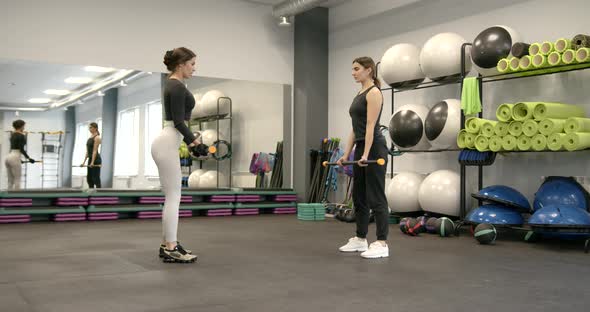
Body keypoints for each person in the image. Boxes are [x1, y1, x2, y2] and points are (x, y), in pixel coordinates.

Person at [337, 56, 390, 259]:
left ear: (369, 70)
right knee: (358, 196)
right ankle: (360, 239)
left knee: (375, 196)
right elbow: (355, 128)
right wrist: (346, 154)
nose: (353, 72)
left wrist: (367, 154)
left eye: (357, 69)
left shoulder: (374, 92)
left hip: (374, 148)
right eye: (352, 69)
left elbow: (370, 125)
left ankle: (382, 242)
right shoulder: (359, 93)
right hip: (362, 147)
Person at [151, 47, 200, 263]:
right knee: (174, 197)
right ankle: (171, 246)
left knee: (172, 196)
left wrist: (190, 140)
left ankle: (167, 244)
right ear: (180, 64)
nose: (194, 68)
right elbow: (179, 122)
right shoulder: (176, 86)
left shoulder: (172, 83)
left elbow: (178, 123)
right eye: (192, 64)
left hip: (168, 140)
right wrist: (194, 141)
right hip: (168, 142)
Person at [5, 120, 35, 190]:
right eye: (24, 126)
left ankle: (8, 199)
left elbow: (14, 148)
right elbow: (21, 149)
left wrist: (19, 159)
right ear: (21, 126)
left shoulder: (12, 134)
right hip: (15, 157)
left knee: (10, 180)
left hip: (9, 156)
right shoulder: (21, 135)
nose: (24, 127)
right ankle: (17, 198)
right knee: (17, 179)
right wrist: (29, 158)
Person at [80, 122, 102, 188]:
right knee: (89, 178)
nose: (89, 129)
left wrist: (92, 162)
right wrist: (83, 162)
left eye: (91, 127)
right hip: (90, 159)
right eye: (89, 128)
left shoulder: (97, 137)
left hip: (96, 160)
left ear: (95, 128)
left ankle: (99, 194)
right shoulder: (90, 138)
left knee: (95, 178)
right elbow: (88, 152)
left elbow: (94, 151)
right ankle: (91, 192)